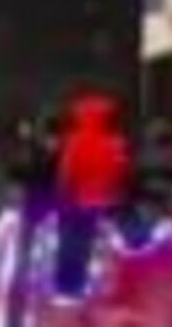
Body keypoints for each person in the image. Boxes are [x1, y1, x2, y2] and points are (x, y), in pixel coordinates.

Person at [53, 91, 130, 298]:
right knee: (84, 244)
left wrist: (63, 196)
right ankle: (77, 284)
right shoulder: (115, 141)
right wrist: (114, 194)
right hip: (100, 200)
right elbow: (120, 170)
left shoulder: (75, 140)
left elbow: (65, 173)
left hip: (76, 200)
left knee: (70, 244)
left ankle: (66, 285)